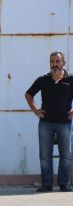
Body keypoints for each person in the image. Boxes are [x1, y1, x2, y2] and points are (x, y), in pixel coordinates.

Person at [25, 51, 73, 192]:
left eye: (57, 61)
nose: (54, 64)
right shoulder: (43, 79)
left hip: (65, 123)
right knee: (45, 155)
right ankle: (47, 184)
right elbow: (28, 94)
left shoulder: (71, 79)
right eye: (52, 61)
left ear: (63, 62)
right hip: (46, 123)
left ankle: (64, 184)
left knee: (66, 155)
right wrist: (35, 110)